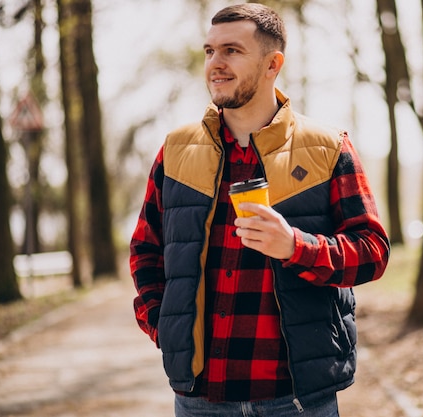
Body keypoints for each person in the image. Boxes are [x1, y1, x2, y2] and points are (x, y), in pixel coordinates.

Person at [129, 3, 390, 416]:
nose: (216, 63)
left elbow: (373, 250)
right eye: (210, 51)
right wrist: (165, 326)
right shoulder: (176, 151)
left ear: (273, 64)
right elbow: (146, 249)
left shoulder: (327, 147)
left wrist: (296, 247)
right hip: (200, 399)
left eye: (232, 50)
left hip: (297, 397)